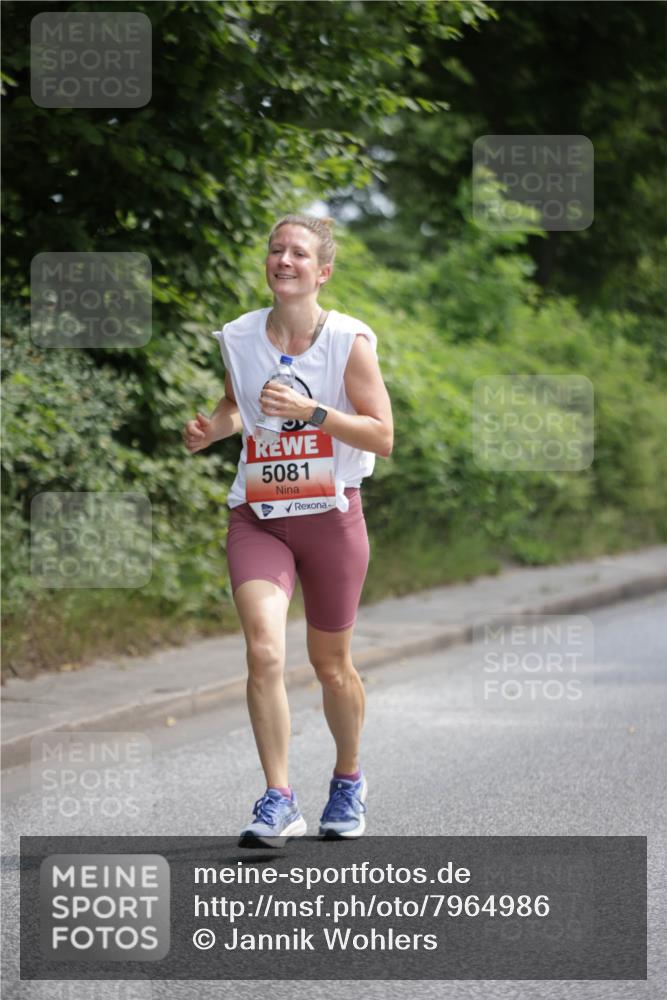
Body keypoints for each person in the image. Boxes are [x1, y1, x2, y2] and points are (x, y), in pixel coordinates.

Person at [183, 213, 393, 847]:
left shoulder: (349, 340)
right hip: (260, 517)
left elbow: (382, 434)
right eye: (276, 250)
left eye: (298, 253)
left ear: (321, 271)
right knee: (264, 650)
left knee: (331, 666)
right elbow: (234, 405)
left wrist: (315, 413)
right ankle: (278, 799)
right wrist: (210, 431)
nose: (284, 260)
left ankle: (348, 780)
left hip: (331, 518)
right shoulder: (241, 336)